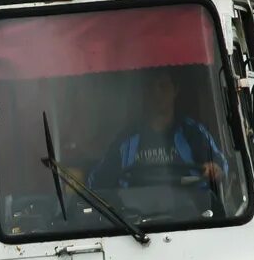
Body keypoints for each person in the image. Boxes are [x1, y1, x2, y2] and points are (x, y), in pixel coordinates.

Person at [87, 66, 228, 192]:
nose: (156, 93)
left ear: (175, 89)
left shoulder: (193, 132)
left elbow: (220, 165)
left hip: (191, 215)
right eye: (150, 87)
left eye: (163, 85)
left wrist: (215, 169)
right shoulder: (126, 139)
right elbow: (97, 181)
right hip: (136, 217)